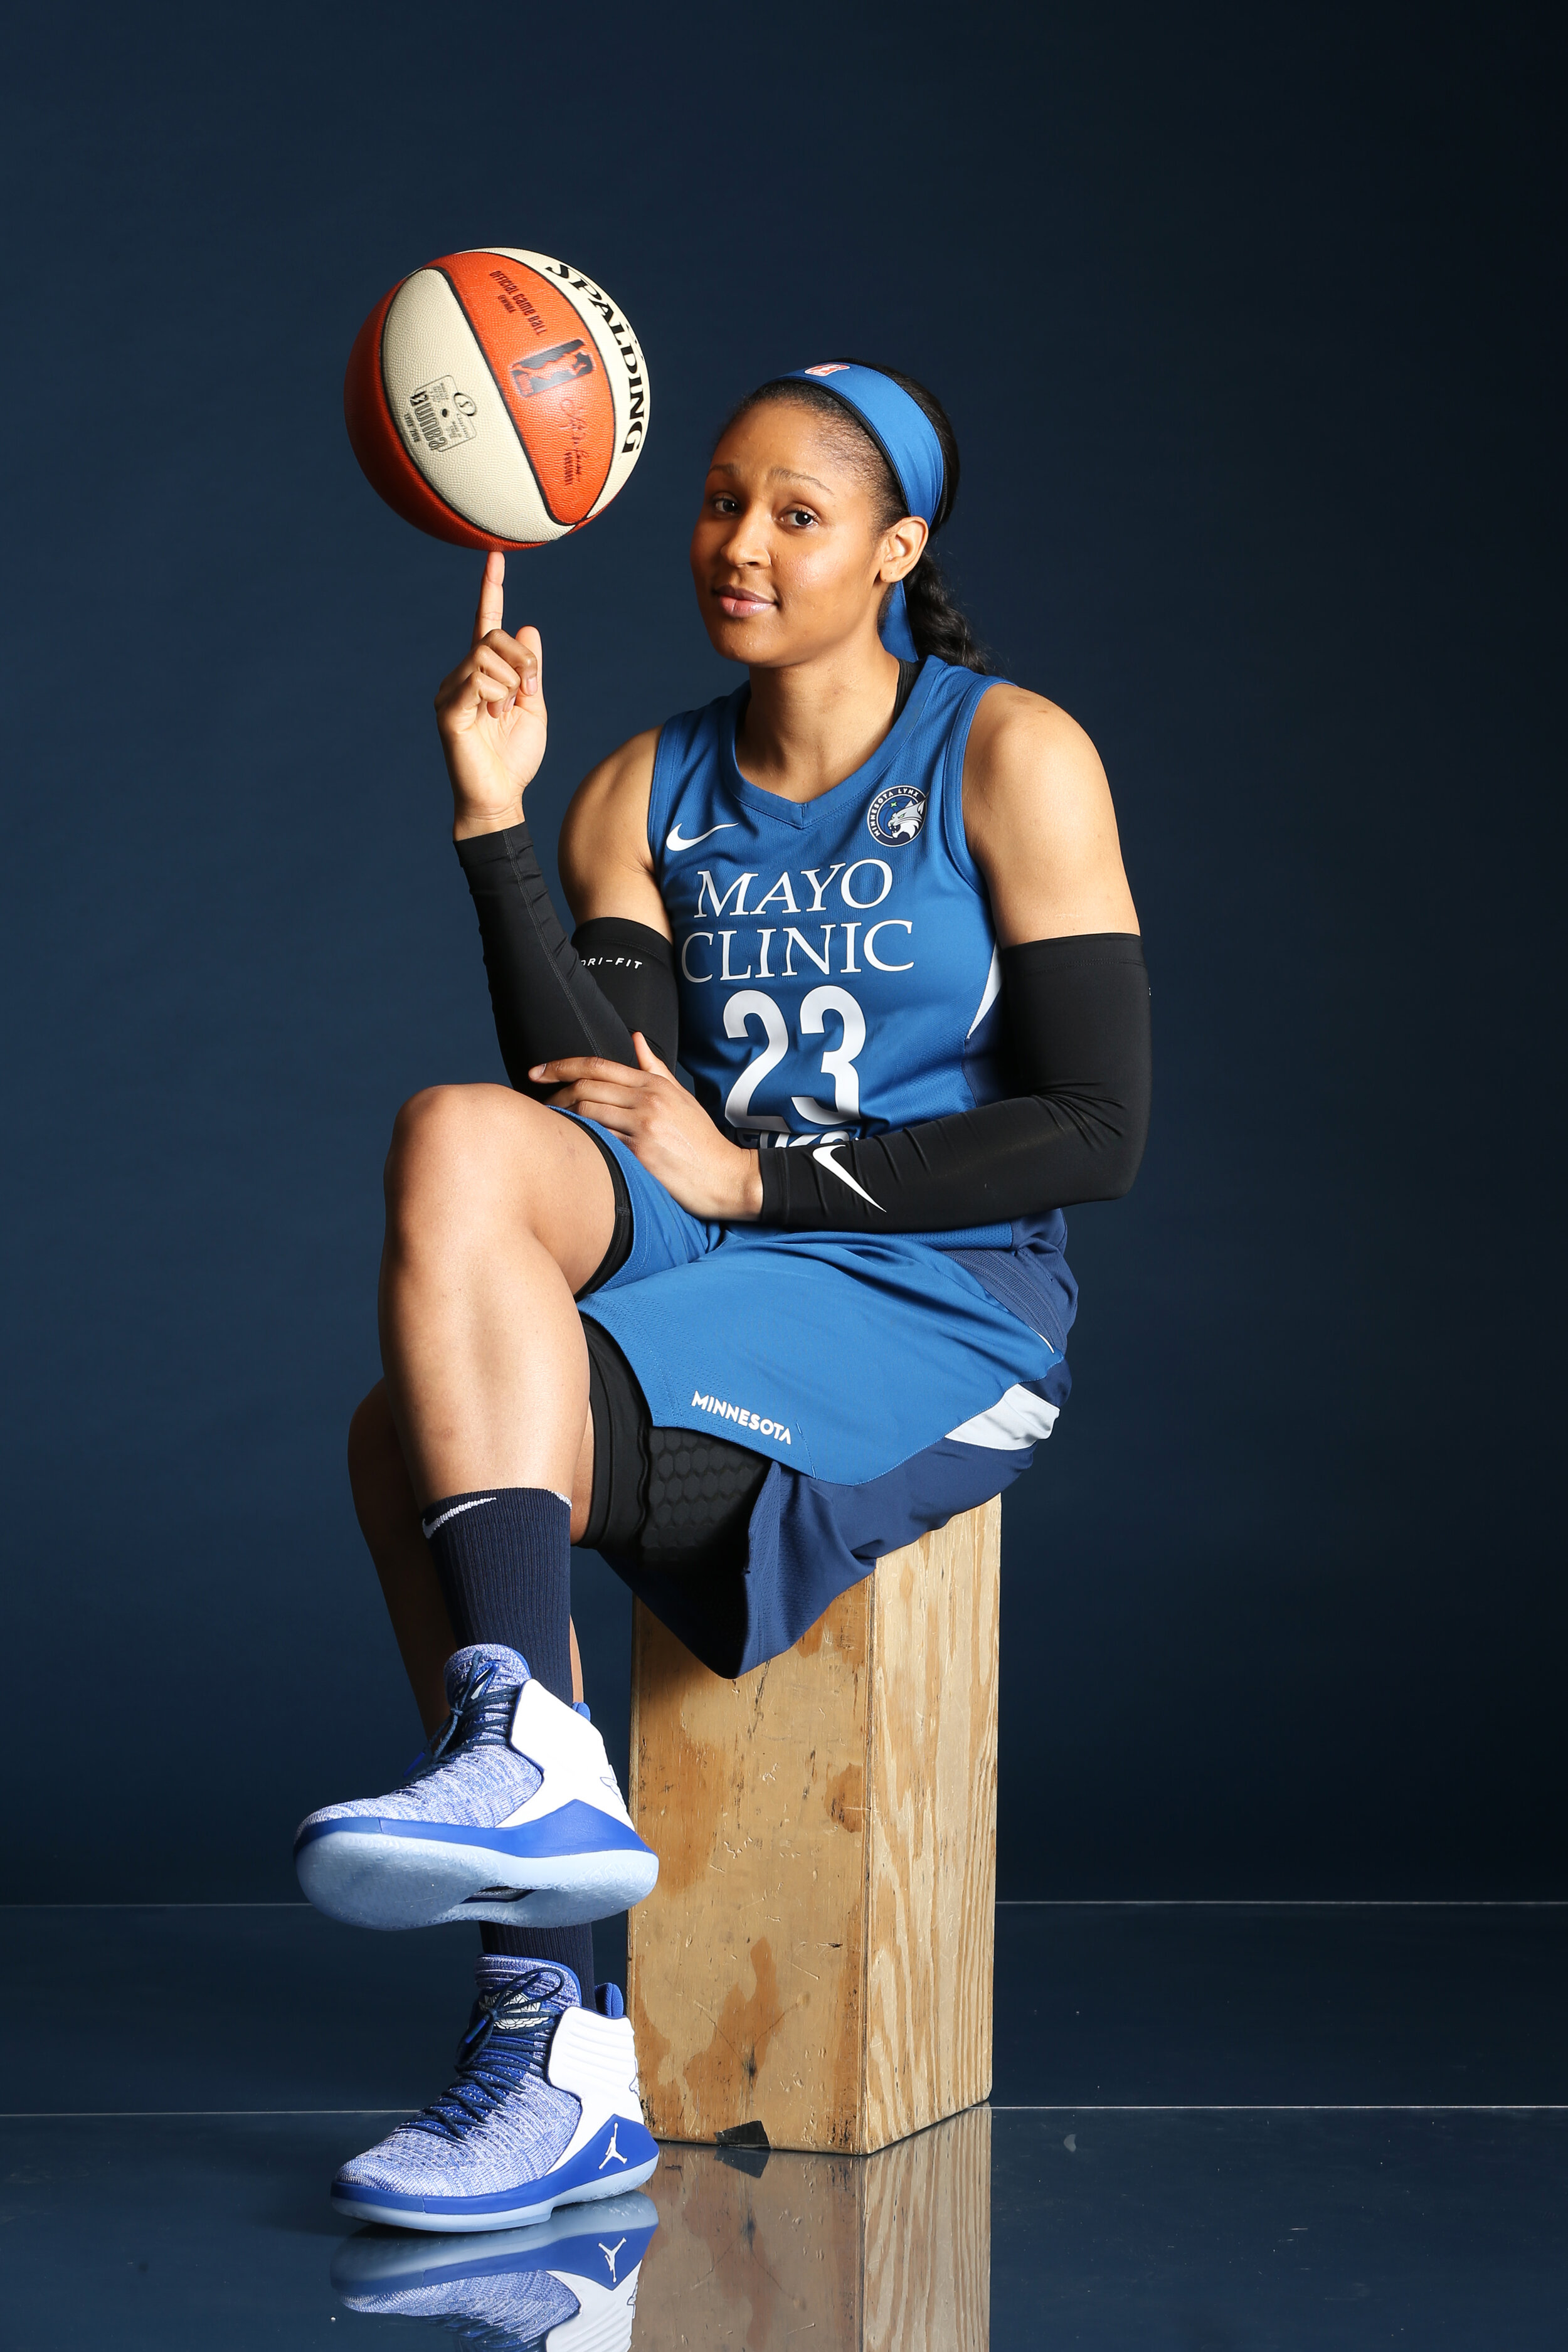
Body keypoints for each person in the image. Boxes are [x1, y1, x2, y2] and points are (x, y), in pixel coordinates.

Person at [295, 361, 1150, 2233]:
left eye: (794, 513)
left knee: (402, 1443)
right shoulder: (644, 783)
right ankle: (520, 1750)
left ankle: (555, 2030)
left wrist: (758, 1176)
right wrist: (493, 826)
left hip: (942, 1303)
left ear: (892, 550)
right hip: (735, 1253)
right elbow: (588, 1101)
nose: (737, 546)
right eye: (713, 503)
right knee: (454, 1136)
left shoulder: (1006, 754)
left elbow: (1096, 1129)